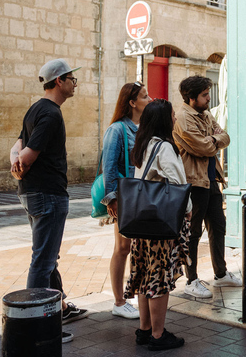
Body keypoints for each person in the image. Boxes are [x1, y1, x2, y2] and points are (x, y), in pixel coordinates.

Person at [9, 58, 87, 344]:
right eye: (71, 78)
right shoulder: (51, 113)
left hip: (32, 193)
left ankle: (60, 307)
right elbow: (26, 153)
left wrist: (16, 164)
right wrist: (21, 162)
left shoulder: (35, 108)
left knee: (47, 257)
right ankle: (38, 327)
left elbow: (16, 146)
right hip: (48, 195)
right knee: (42, 262)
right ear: (59, 82)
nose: (74, 83)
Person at [125, 99, 191, 351]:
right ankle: (158, 334)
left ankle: (144, 330)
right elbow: (177, 184)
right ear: (164, 120)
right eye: (172, 115)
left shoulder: (143, 145)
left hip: (141, 224)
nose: (175, 118)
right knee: (159, 279)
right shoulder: (164, 148)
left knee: (144, 275)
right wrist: (188, 211)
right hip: (161, 227)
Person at [173, 75, 242, 299]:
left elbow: (226, 136)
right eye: (204, 95)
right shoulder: (184, 117)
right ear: (192, 97)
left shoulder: (205, 114)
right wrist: (214, 140)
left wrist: (212, 139)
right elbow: (202, 147)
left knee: (218, 226)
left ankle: (220, 274)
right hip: (194, 181)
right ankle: (191, 280)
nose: (209, 98)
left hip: (211, 179)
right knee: (193, 232)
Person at [100, 82, 152, 319]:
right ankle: (119, 302)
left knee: (135, 247)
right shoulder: (117, 129)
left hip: (141, 196)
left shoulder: (143, 128)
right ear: (132, 103)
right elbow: (109, 167)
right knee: (123, 247)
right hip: (124, 196)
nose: (149, 99)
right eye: (144, 96)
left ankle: (133, 296)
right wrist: (112, 199)